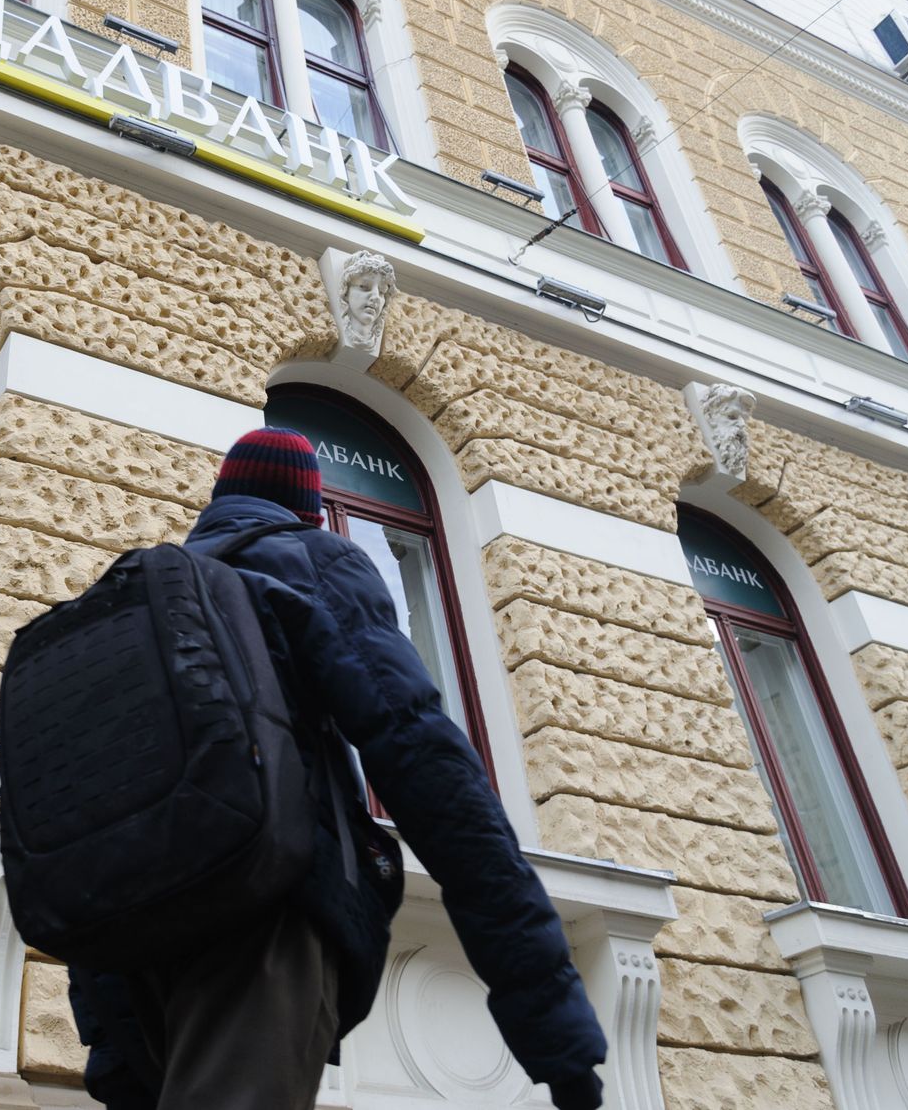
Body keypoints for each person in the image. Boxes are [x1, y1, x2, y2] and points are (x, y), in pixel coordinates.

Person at [69, 428, 607, 1110]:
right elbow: (427, 766)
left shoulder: (137, 594)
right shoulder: (306, 563)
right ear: (309, 511)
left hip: (119, 961)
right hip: (254, 920)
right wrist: (555, 1027)